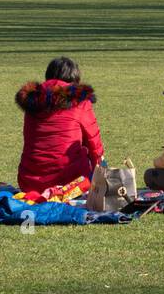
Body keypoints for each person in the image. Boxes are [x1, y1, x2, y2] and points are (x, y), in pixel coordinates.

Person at [15, 56, 104, 193]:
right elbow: (94, 143)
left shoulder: (32, 102)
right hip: (69, 183)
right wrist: (102, 169)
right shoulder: (80, 102)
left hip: (29, 183)